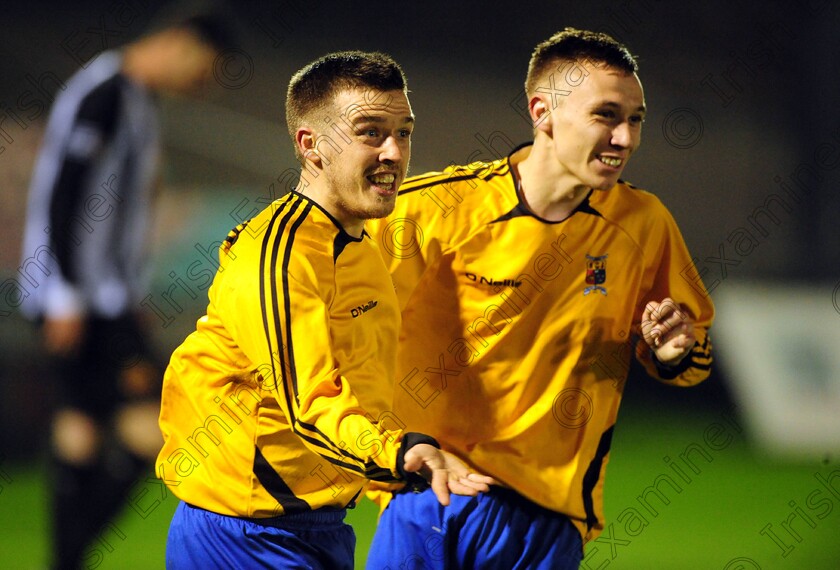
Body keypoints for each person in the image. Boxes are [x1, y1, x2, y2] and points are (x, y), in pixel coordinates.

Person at [365, 28, 716, 569]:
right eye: (606, 116)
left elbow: (694, 354)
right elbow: (344, 330)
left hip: (549, 518)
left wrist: (675, 352)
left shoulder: (643, 225)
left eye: (636, 119)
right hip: (431, 497)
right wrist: (395, 442)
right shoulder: (435, 212)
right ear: (542, 112)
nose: (626, 138)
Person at [156, 51, 493, 569]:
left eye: (403, 132)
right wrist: (398, 452)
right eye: (370, 132)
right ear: (310, 145)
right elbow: (310, 403)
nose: (393, 152)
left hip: (320, 523)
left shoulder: (364, 243)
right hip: (242, 534)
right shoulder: (276, 257)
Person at [18, 12, 234, 570]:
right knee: (146, 428)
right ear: (180, 44)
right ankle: (69, 559)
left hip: (102, 297)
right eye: (203, 71)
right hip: (77, 297)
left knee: (83, 426)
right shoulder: (105, 93)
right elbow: (65, 195)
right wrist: (64, 292)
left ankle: (68, 560)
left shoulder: (135, 99)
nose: (200, 85)